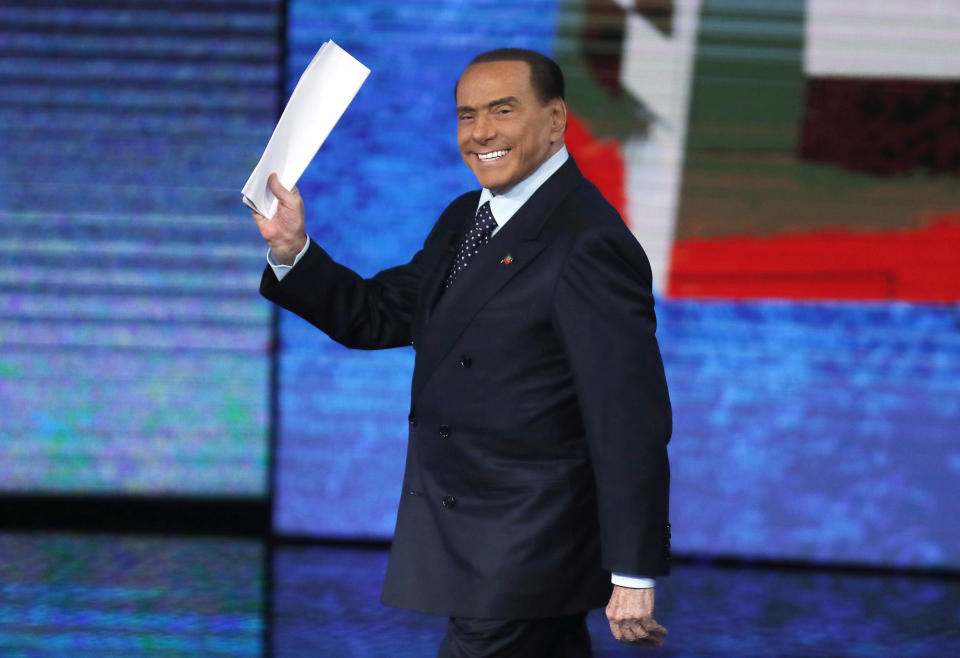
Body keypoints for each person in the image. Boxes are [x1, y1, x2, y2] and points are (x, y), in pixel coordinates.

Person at [251, 48, 672, 657]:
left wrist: (632, 571)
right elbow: (377, 315)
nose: (480, 133)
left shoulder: (587, 241)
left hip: (526, 543)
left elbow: (627, 417)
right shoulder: (466, 217)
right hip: (473, 537)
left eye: (503, 110)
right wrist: (293, 248)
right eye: (466, 114)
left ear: (556, 120)